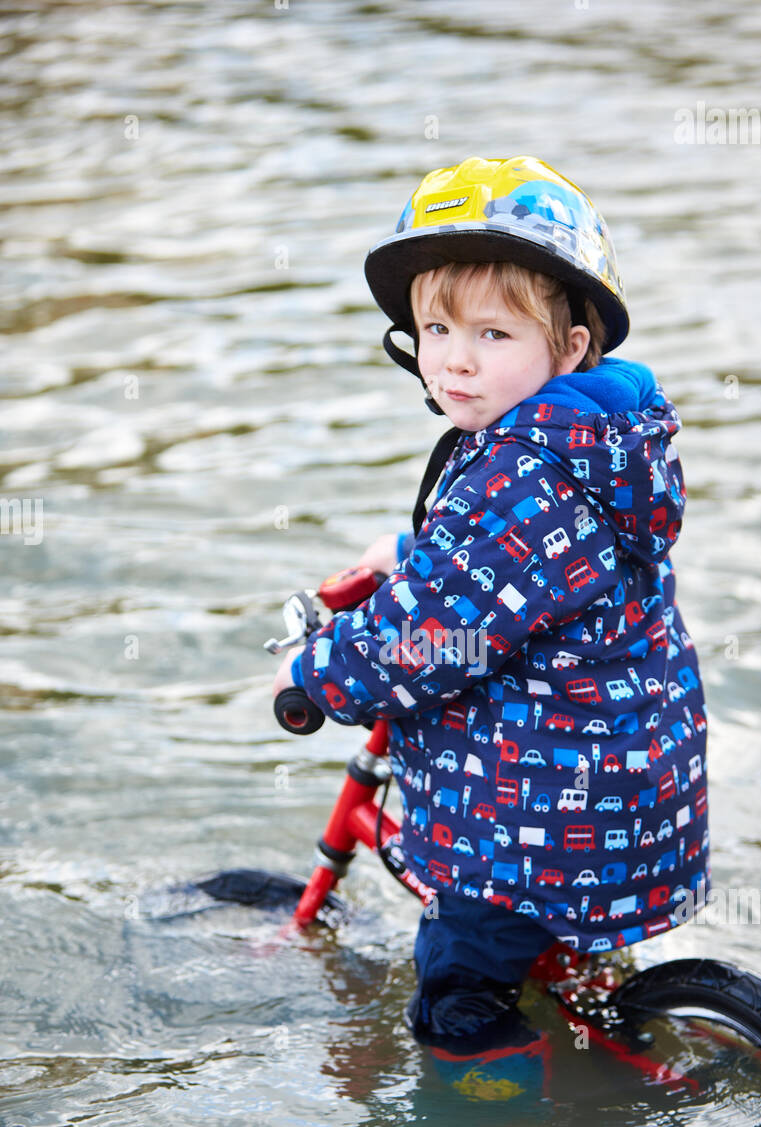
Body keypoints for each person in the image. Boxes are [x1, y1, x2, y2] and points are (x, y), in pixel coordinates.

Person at [273, 155, 710, 1058]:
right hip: (620, 803)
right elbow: (530, 576)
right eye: (436, 328)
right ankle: (603, 1055)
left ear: (571, 347)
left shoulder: (524, 471)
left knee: (453, 1002)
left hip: (532, 829)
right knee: (567, 970)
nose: (456, 359)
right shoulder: (597, 447)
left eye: (494, 335)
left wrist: (316, 673)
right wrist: (409, 552)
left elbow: (430, 636)